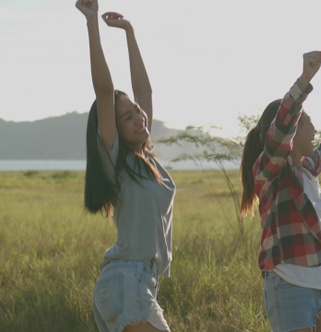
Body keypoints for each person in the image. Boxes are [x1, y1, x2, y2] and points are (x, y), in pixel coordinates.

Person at [240, 51, 321, 332]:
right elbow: (282, 126)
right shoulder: (269, 172)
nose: (315, 128)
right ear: (294, 131)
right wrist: (305, 79)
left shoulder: (307, 168)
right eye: (308, 122)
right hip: (289, 285)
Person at [76, 1, 176, 331]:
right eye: (128, 117)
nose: (139, 117)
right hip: (124, 281)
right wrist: (92, 23)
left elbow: (144, 89)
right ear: (113, 131)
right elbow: (104, 92)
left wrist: (129, 32)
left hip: (142, 283)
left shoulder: (146, 159)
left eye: (138, 111)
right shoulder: (117, 163)